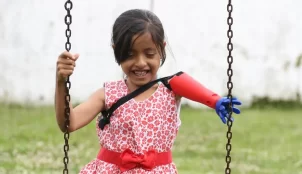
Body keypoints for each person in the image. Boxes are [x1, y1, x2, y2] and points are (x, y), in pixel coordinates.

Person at [55, 9, 242, 174]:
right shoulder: (108, 94)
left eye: (149, 53)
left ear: (161, 49)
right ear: (116, 51)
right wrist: (61, 81)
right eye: (129, 54)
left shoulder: (171, 90)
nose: (140, 63)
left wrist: (216, 101)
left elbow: (196, 90)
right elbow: (69, 123)